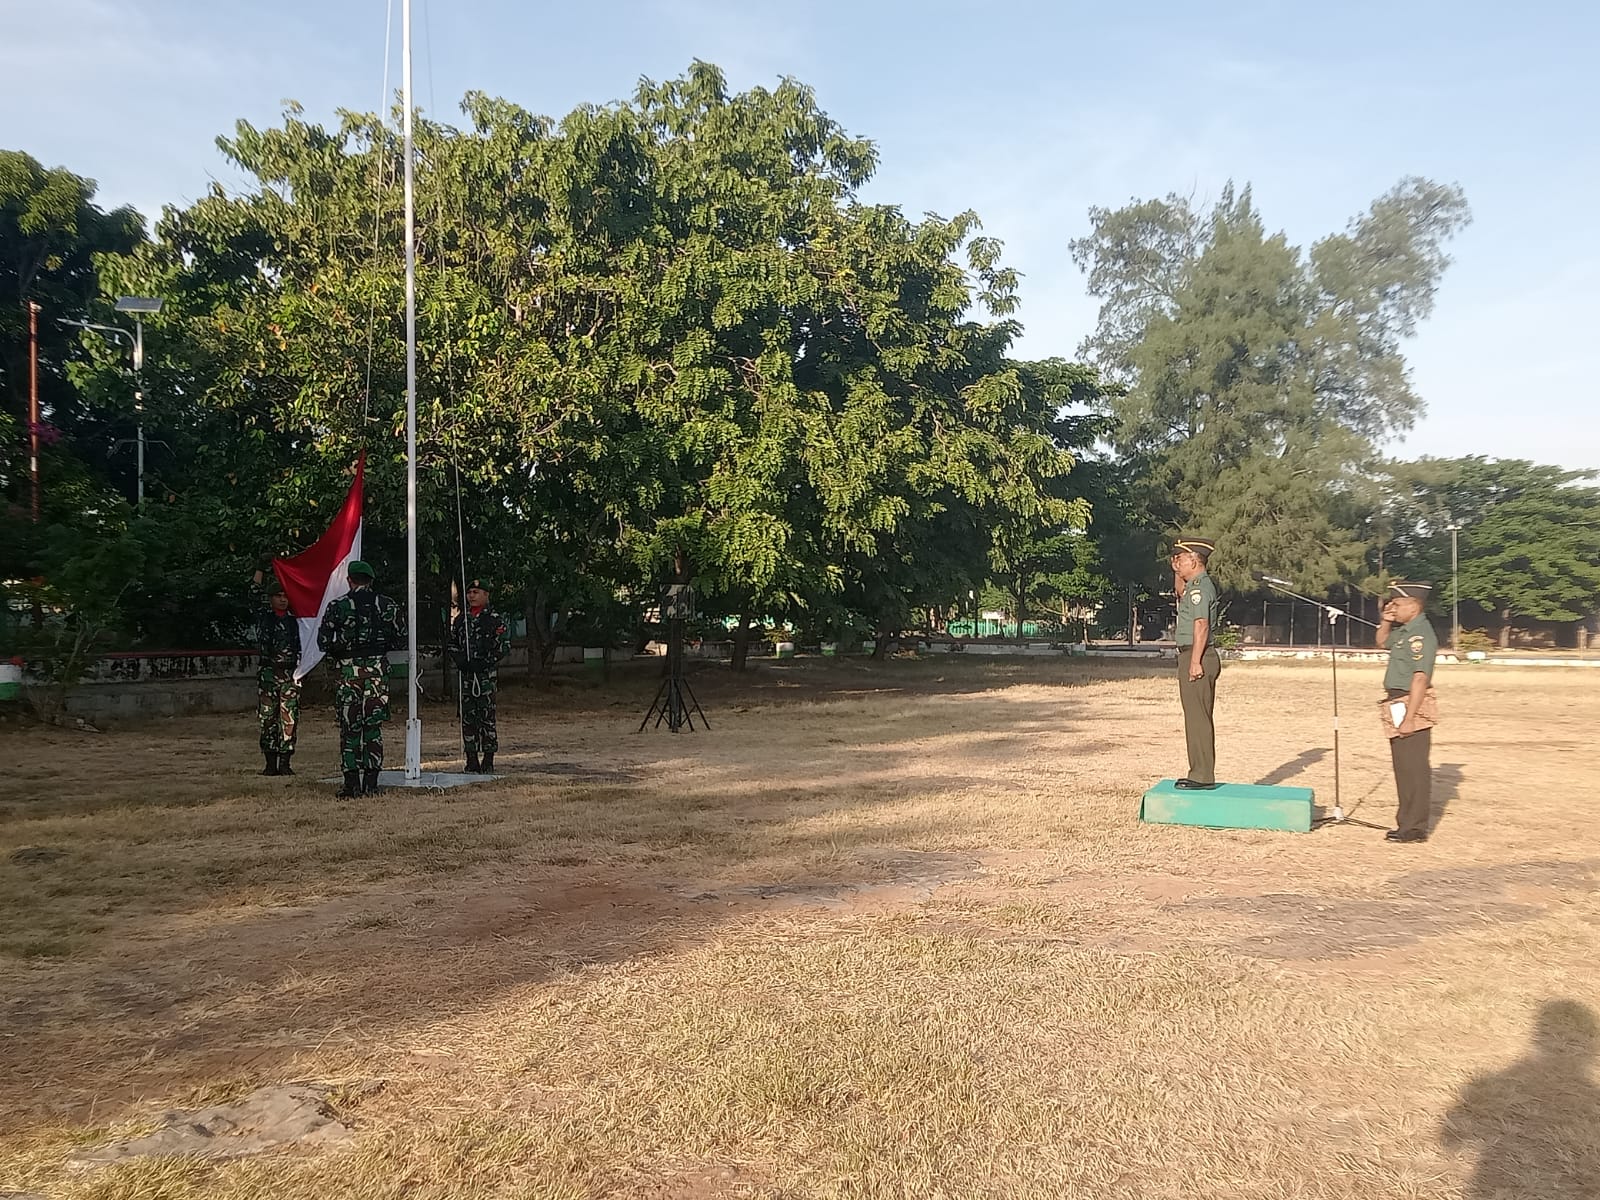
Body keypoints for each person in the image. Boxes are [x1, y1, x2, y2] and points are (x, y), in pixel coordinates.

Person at [316, 560, 405, 798]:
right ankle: (372, 784)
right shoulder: (386, 604)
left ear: (350, 580)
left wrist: (340, 649)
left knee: (350, 728)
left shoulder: (338, 606)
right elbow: (401, 636)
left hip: (349, 672)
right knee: (373, 728)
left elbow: (323, 641)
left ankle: (352, 784)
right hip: (376, 673)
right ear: (371, 580)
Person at [1375, 580, 1438, 843]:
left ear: (1414, 606)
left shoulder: (1420, 635)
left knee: (1414, 767)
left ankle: (1415, 828)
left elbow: (1420, 678)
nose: (1393, 607)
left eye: (1397, 604)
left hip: (1412, 701)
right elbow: (1382, 643)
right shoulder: (1405, 630)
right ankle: (1405, 823)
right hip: (1397, 701)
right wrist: (1386, 621)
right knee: (1402, 766)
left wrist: (1410, 718)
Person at [1170, 536, 1221, 790]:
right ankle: (1199, 772)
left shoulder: (1201, 589)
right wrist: (1176, 571)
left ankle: (1202, 776)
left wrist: (1195, 662)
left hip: (1198, 654)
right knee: (1194, 717)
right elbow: (1180, 592)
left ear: (1193, 560)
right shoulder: (1193, 586)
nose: (1176, 563)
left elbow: (1201, 625)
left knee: (1198, 718)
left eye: (1180, 559)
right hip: (1192, 654)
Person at [448, 578, 511, 773]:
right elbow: (452, 643)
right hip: (467, 676)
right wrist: (460, 660)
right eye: (469, 592)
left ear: (486, 594)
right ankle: (471, 759)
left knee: (486, 717)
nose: (471, 596)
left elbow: (504, 646)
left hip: (485, 677)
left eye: (476, 592)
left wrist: (485, 662)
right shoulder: (461, 620)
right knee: (468, 718)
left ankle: (489, 759)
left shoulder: (494, 619)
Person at [251, 568, 302, 776]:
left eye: (285, 596)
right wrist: (260, 569)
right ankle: (270, 762)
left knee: (289, 718)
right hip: (268, 673)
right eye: (278, 596)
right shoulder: (264, 616)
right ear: (270, 598)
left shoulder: (296, 619)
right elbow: (253, 593)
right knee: (267, 717)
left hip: (290, 674)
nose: (282, 600)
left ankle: (285, 762)